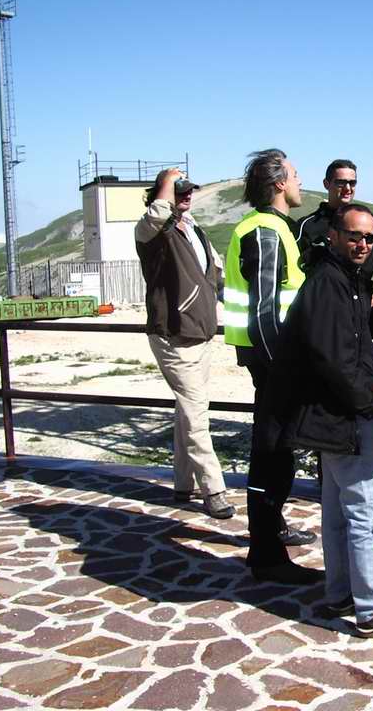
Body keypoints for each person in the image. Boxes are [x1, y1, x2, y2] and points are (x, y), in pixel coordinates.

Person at [276, 203, 373, 639]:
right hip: (346, 414)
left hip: (332, 413)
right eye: (354, 236)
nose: (363, 244)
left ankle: (342, 592)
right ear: (334, 237)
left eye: (370, 238)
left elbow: (353, 340)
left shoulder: (346, 280)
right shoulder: (330, 285)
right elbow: (333, 357)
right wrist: (368, 393)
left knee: (339, 510)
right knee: (366, 513)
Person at [223, 148, 320, 585]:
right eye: (295, 175)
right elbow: (263, 311)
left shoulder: (273, 227)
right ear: (279, 183)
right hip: (272, 360)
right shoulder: (264, 231)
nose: (300, 183)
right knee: (272, 453)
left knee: (279, 451)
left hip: (271, 357)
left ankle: (273, 530)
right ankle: (266, 554)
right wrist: (282, 366)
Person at [135, 169, 234, 520]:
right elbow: (156, 215)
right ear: (162, 195)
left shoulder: (195, 229)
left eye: (189, 189)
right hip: (173, 334)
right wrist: (166, 181)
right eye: (179, 190)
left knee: (187, 409)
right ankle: (213, 489)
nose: (187, 194)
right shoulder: (151, 232)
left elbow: (216, 275)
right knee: (196, 413)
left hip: (200, 332)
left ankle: (182, 483)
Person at [294, 159, 373, 366]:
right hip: (323, 311)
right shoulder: (307, 226)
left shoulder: (370, 223)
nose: (347, 188)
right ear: (326, 184)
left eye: (352, 183)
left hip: (364, 307)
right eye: (340, 182)